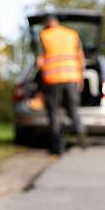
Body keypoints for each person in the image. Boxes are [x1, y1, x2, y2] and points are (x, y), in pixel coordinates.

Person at [37, 15, 87, 154]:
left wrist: (39, 82)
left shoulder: (44, 35)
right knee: (73, 109)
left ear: (46, 24)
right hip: (72, 78)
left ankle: (56, 146)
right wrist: (81, 78)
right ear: (57, 22)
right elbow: (81, 58)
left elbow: (39, 62)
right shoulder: (72, 34)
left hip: (52, 79)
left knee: (54, 112)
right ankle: (81, 133)